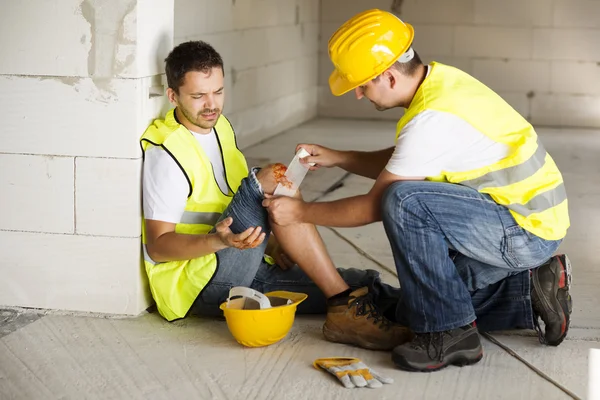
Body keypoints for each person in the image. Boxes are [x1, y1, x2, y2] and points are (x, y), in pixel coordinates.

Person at [263, 9, 573, 372]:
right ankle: (530, 290)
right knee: (412, 309)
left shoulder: (430, 119)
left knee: (404, 203)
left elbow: (372, 207)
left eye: (362, 85)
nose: (360, 95)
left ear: (388, 77)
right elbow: (408, 162)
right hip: (519, 218)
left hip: (522, 231)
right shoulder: (440, 82)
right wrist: (340, 158)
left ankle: (450, 332)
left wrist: (300, 212)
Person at [139, 40, 414, 351]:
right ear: (173, 96)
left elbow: (221, 200)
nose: (211, 104)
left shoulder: (220, 128)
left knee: (358, 284)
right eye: (198, 96)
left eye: (218, 92)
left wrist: (270, 243)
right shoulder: (167, 154)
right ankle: (346, 306)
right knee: (264, 179)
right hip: (200, 285)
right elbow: (158, 248)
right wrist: (219, 241)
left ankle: (431, 313)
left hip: (242, 268)